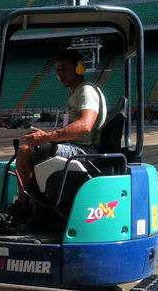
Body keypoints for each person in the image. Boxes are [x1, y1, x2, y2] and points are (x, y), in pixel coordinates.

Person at [15, 48, 107, 203]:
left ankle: (25, 203)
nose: (60, 74)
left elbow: (85, 125)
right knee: (31, 144)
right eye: (58, 70)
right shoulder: (76, 92)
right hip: (77, 145)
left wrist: (48, 137)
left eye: (64, 69)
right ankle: (37, 201)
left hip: (84, 151)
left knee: (26, 150)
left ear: (79, 68)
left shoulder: (86, 91)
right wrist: (48, 135)